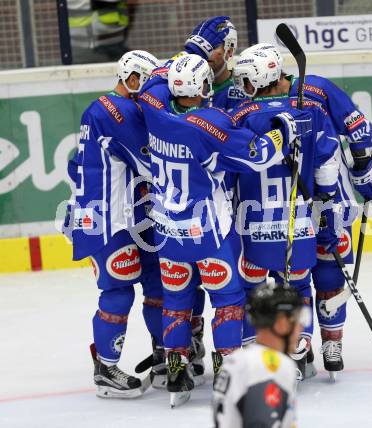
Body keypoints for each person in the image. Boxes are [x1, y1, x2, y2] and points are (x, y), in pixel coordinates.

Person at [138, 53, 298, 407]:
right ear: (205, 86)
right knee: (228, 300)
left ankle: (177, 367)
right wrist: (282, 131)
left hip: (167, 234)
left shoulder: (154, 112)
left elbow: (151, 85)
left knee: (177, 301)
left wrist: (175, 65)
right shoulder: (210, 122)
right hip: (208, 234)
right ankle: (228, 369)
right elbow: (257, 154)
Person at [237, 43, 372, 379]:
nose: (243, 87)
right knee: (296, 275)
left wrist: (362, 164)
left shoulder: (317, 88)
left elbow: (357, 126)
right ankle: (296, 345)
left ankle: (331, 342)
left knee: (330, 273)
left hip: (330, 201)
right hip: (300, 203)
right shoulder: (250, 105)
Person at [231, 47, 340, 380]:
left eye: (247, 80)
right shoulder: (311, 112)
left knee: (252, 289)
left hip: (252, 225)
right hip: (299, 223)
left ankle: (259, 354)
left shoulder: (239, 116)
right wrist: (325, 202)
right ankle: (297, 348)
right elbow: (327, 165)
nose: (242, 86)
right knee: (298, 288)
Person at [63, 50, 166, 398]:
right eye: (148, 83)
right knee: (118, 291)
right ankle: (105, 369)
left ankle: (164, 354)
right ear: (132, 78)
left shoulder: (107, 108)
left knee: (156, 284)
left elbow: (77, 165)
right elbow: (153, 167)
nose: (153, 92)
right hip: (108, 220)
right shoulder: (118, 112)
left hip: (132, 215)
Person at [213, 282, 304, 428]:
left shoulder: (240, 359)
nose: (301, 327)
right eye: (297, 320)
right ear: (281, 323)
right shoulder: (269, 366)